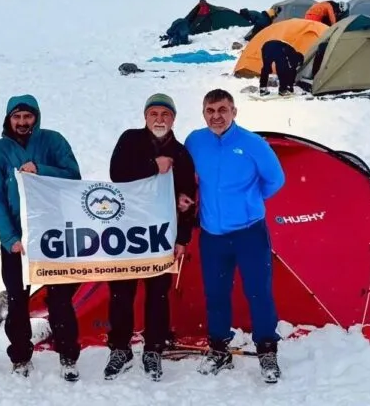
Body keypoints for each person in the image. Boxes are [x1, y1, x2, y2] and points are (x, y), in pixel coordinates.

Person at [183, 89, 286, 384]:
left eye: (222, 110)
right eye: (210, 110)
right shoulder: (195, 141)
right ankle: (219, 349)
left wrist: (250, 202)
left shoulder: (252, 144)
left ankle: (267, 350)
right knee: (215, 295)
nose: (217, 116)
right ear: (204, 113)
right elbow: (189, 175)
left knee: (259, 292)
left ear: (234, 112)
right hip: (212, 234)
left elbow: (276, 179)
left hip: (249, 233)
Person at [0, 94, 83, 382]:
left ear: (36, 117)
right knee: (18, 298)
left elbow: (73, 176)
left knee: (60, 297)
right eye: (16, 117)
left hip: (53, 236)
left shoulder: (53, 141)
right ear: (8, 119)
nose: (22, 122)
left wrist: (41, 170)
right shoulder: (0, 151)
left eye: (27, 116)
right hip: (17, 241)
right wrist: (9, 238)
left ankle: (67, 354)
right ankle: (20, 355)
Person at [103, 93, 197, 382]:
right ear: (145, 117)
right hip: (127, 233)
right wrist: (153, 166)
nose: (159, 119)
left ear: (173, 119)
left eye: (165, 114)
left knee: (158, 295)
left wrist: (182, 238)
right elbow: (117, 174)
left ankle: (153, 349)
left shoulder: (181, 153)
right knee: (121, 293)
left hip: (160, 236)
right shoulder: (130, 140)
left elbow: (188, 197)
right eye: (154, 113)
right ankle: (120, 348)